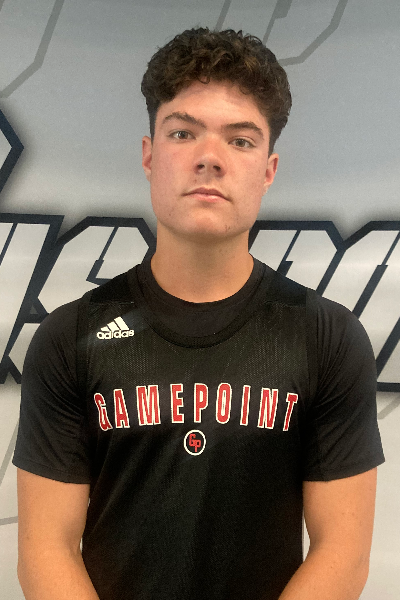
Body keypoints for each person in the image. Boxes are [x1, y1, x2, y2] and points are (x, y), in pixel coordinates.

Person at [13, 27, 384, 600]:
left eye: (240, 140)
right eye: (183, 133)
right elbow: (45, 550)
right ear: (149, 155)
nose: (209, 158)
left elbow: (343, 554)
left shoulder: (327, 336)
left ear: (268, 169)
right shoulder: (71, 336)